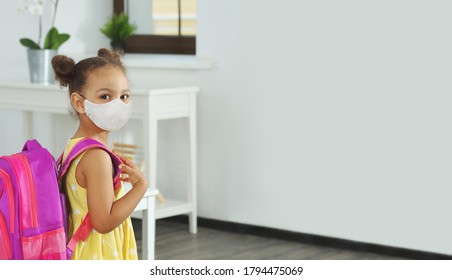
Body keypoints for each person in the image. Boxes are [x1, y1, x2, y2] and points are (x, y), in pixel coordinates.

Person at [51, 48, 147, 260]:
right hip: (99, 254)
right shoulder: (96, 156)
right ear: (80, 103)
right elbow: (103, 222)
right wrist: (140, 187)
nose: (118, 104)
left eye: (124, 96)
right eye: (105, 96)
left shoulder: (76, 145)